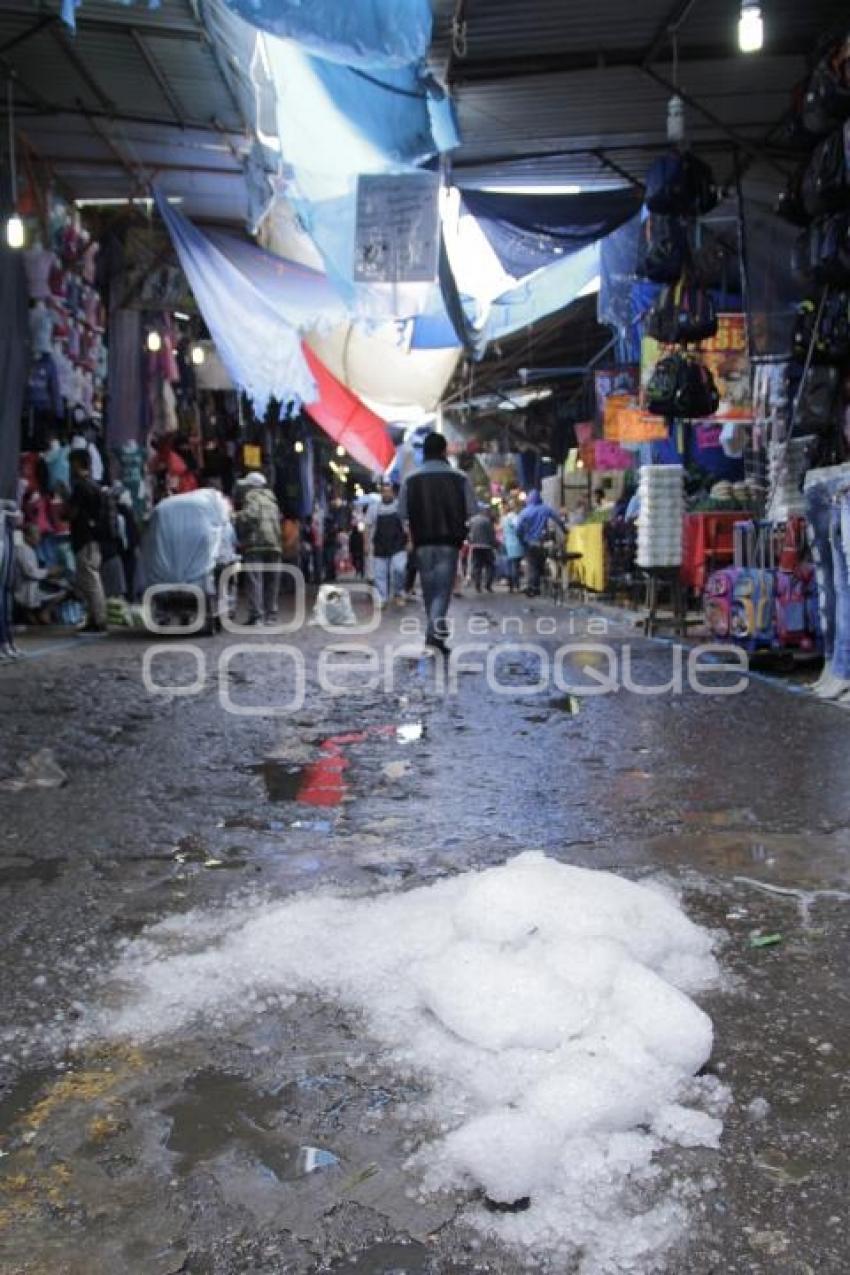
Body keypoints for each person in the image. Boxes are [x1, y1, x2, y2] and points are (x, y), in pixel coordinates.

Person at [398, 432, 476, 653]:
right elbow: (472, 510)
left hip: (422, 543)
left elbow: (401, 512)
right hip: (449, 543)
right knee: (442, 592)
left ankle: (435, 636)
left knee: (430, 592)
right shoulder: (459, 478)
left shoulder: (410, 480)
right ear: (444, 451)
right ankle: (434, 636)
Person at [67, 447, 108, 632]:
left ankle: (98, 619)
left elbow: (71, 513)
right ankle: (95, 617)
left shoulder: (81, 487)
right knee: (90, 579)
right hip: (93, 539)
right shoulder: (94, 485)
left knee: (90, 580)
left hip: (85, 539)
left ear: (77, 464)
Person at [233, 472, 282, 625]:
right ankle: (271, 615)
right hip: (274, 544)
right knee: (271, 581)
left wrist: (233, 517)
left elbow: (250, 516)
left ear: (251, 486)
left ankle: (257, 616)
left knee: (255, 580)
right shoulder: (272, 500)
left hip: (256, 544)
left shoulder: (252, 497)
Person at [14, 524, 67, 624]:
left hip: (31, 587)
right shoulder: (23, 550)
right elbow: (31, 573)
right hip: (25, 591)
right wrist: (49, 571)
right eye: (36, 535)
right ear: (27, 537)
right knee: (62, 592)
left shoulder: (29, 549)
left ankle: (38, 614)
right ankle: (44, 612)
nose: (39, 538)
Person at [516, 489, 565, 597]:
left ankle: (533, 587)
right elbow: (557, 519)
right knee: (540, 563)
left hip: (529, 543)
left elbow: (518, 529)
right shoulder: (545, 509)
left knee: (532, 565)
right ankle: (537, 586)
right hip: (542, 543)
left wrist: (521, 540)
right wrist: (565, 530)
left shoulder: (525, 512)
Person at [366, 482, 408, 607]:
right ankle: (382, 598)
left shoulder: (400, 507)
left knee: (399, 569)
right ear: (381, 493)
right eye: (384, 491)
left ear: (393, 493)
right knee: (380, 574)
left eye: (388, 491)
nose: (386, 493)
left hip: (398, 544)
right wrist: (366, 544)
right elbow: (367, 527)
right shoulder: (374, 508)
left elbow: (407, 525)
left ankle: (398, 593)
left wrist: (411, 541)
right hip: (380, 545)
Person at [468, 505, 497, 593]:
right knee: (490, 565)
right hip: (487, 547)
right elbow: (492, 534)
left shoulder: (472, 520)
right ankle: (488, 585)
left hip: (475, 546)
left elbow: (467, 532)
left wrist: (471, 541)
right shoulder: (488, 521)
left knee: (477, 566)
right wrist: (494, 544)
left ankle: (477, 585)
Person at [501, 496, 525, 593]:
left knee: (509, 565)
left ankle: (510, 586)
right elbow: (518, 528)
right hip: (515, 544)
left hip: (507, 543)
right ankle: (516, 586)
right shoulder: (514, 517)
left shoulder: (504, 518)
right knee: (515, 566)